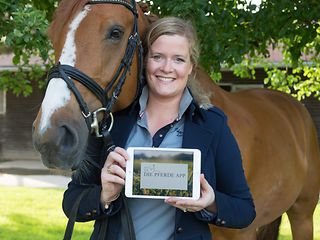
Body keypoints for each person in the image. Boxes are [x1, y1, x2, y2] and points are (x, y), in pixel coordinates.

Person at [62, 17, 256, 240]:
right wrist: (103, 196)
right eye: (157, 57)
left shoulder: (212, 124)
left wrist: (210, 203)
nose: (166, 68)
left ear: (191, 66)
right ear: (145, 61)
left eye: (178, 59)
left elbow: (244, 210)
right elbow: (71, 201)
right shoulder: (111, 121)